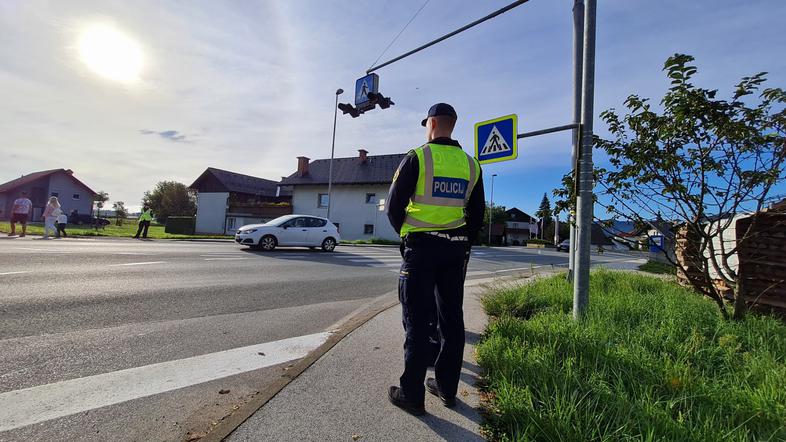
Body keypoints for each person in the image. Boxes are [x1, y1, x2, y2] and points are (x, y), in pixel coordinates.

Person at [386, 103, 486, 415]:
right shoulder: (472, 165)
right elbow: (477, 215)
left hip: (421, 248)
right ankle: (446, 389)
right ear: (453, 125)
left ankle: (412, 395)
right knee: (452, 319)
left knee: (417, 319)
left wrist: (407, 235)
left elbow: (393, 206)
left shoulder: (418, 157)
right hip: (455, 251)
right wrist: (460, 240)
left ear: (431, 123)